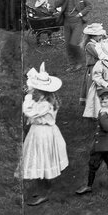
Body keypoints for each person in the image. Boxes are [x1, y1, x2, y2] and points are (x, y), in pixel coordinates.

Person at [16, 63, 68, 206]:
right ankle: (43, 188)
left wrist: (28, 96)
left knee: (40, 160)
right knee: (40, 160)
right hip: (41, 132)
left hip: (42, 134)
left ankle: (44, 193)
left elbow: (29, 111)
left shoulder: (46, 104)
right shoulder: (44, 99)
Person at [75, 85, 108, 196]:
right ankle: (89, 185)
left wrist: (102, 115)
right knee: (93, 164)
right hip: (99, 144)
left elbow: (106, 127)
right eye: (101, 98)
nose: (103, 100)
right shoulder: (104, 111)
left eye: (106, 99)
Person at [55, 0, 92, 71]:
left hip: (77, 22)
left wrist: (80, 14)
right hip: (67, 22)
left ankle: (79, 62)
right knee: (68, 44)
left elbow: (89, 6)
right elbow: (56, 4)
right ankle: (72, 64)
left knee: (74, 43)